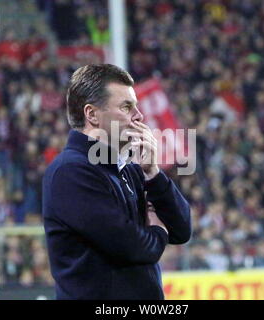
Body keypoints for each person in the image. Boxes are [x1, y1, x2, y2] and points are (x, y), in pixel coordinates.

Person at [42, 64, 191, 300]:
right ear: (92, 114)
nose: (139, 116)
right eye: (126, 107)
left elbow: (182, 229)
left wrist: (153, 173)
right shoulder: (71, 172)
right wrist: (158, 231)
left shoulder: (130, 168)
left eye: (136, 106)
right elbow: (134, 248)